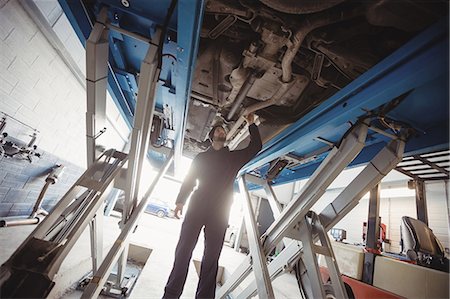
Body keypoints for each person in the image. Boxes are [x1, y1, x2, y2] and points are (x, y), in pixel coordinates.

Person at [163, 113, 262, 299]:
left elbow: (255, 147)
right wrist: (180, 201)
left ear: (225, 137)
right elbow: (189, 180)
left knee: (211, 257)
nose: (221, 130)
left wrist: (251, 124)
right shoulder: (200, 158)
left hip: (220, 212)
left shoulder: (233, 158)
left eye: (223, 130)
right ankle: (171, 294)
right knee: (183, 250)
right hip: (197, 207)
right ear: (211, 136)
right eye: (217, 129)